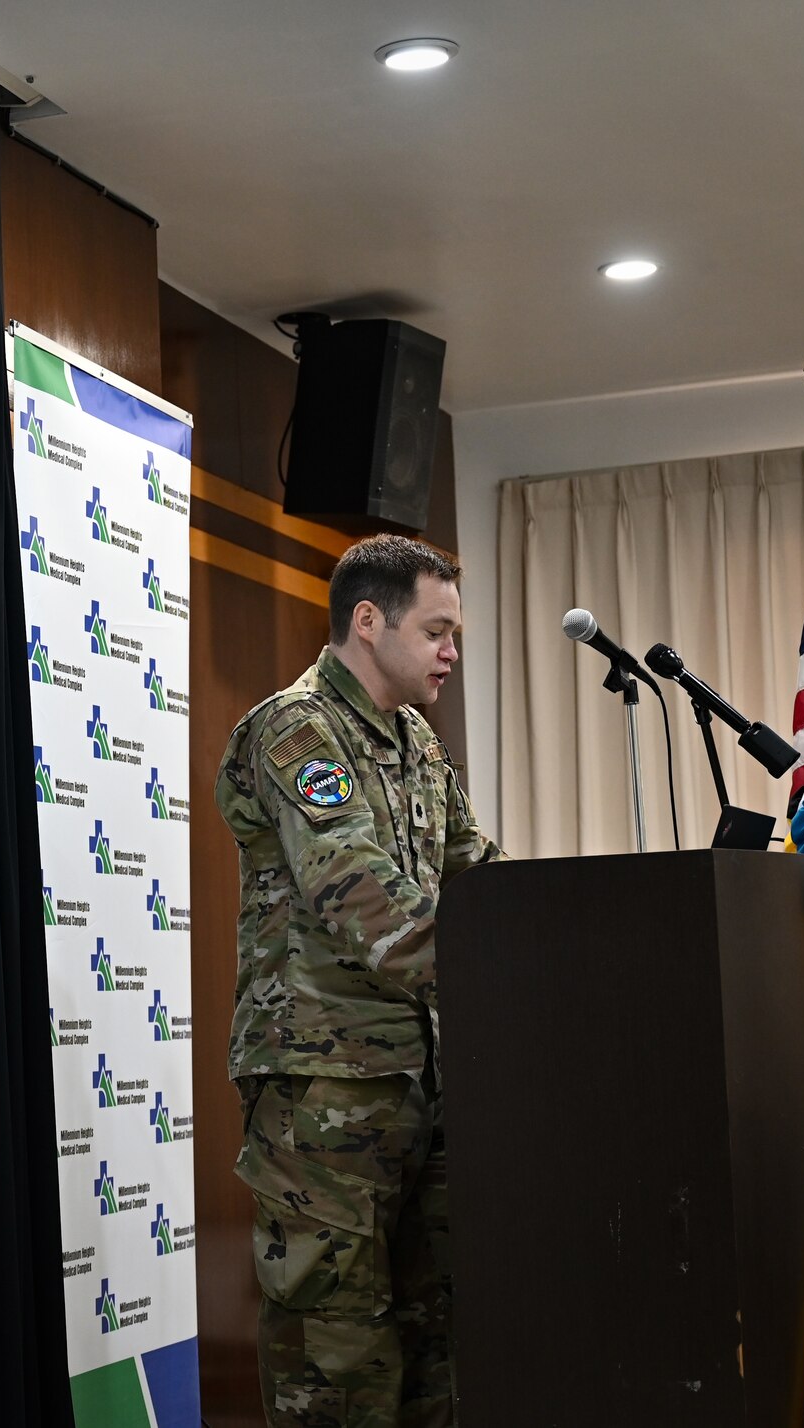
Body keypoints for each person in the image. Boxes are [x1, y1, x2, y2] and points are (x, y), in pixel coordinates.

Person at [214, 533, 500, 1428]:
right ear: (368, 622)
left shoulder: (417, 743)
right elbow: (356, 889)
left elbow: (477, 875)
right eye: (439, 630)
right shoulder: (295, 729)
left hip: (426, 1078)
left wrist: (555, 942)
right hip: (324, 1084)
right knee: (338, 1355)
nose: (453, 652)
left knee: (438, 1344)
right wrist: (504, 989)